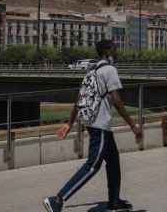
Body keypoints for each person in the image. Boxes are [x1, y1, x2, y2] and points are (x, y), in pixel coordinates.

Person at [43, 39, 142, 212]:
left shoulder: (91, 72)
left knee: (113, 161)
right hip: (100, 124)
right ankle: (57, 200)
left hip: (91, 122)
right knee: (92, 165)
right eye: (115, 48)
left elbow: (79, 99)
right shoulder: (110, 70)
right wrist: (133, 125)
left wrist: (69, 123)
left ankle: (114, 201)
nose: (117, 50)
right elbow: (117, 101)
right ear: (107, 51)